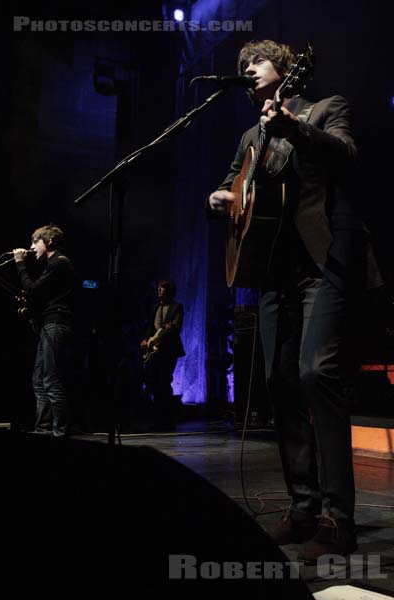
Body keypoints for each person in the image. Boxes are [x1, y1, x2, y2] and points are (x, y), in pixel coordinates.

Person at [207, 39, 383, 562]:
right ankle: (302, 506)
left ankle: (337, 517)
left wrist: (296, 130)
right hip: (271, 272)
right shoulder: (249, 136)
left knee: (314, 373)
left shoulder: (323, 108)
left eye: (254, 62)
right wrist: (219, 198)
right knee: (278, 386)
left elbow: (347, 153)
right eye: (241, 67)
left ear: (285, 68)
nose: (246, 70)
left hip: (322, 262)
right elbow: (232, 185)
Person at [13, 224, 75, 438]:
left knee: (50, 379)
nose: (31, 247)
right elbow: (40, 296)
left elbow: (34, 289)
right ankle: (43, 430)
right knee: (39, 379)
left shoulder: (59, 262)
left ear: (47, 242)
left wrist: (20, 265)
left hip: (56, 325)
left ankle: (60, 433)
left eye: (35, 242)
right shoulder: (52, 265)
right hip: (49, 324)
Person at [140, 280, 185, 430]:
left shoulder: (176, 307)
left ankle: (168, 418)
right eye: (158, 288)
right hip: (155, 351)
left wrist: (165, 331)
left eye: (162, 288)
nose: (159, 290)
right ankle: (157, 416)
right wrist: (146, 339)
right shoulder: (156, 307)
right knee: (152, 381)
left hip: (169, 350)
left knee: (165, 381)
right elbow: (150, 327)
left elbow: (176, 327)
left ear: (169, 291)